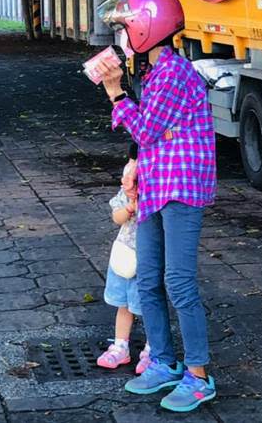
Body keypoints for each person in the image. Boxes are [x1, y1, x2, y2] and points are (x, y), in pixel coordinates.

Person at [95, 0, 217, 413]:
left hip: (181, 189)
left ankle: (199, 376)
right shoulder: (153, 72)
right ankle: (163, 363)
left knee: (178, 283)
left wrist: (114, 92)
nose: (123, 37)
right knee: (148, 280)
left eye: (127, 28)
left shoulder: (172, 74)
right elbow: (150, 138)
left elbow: (146, 131)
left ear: (148, 29)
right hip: (155, 187)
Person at [97, 142, 151, 375]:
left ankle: (153, 349)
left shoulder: (159, 191)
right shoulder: (127, 191)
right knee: (124, 304)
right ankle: (120, 345)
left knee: (149, 306)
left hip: (148, 259)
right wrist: (130, 206)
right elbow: (116, 217)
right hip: (125, 256)